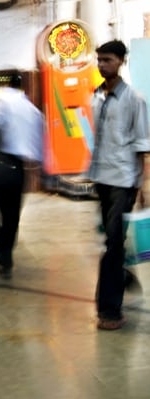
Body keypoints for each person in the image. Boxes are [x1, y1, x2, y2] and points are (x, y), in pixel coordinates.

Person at [88, 40, 150, 330]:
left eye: (108, 60)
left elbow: (142, 145)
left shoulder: (134, 100)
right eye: (99, 60)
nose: (102, 65)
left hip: (124, 181)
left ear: (122, 61)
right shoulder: (97, 97)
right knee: (111, 241)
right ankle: (123, 278)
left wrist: (145, 184)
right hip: (101, 178)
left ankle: (109, 310)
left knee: (113, 245)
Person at [0, 72, 44, 279]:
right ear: (21, 86)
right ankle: (5, 254)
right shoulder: (32, 110)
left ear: (6, 84)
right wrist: (42, 169)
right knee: (11, 215)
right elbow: (39, 143)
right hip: (16, 168)